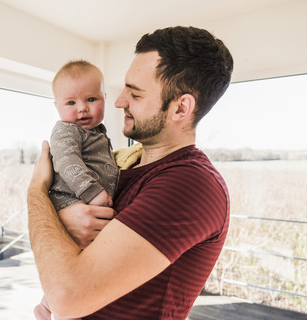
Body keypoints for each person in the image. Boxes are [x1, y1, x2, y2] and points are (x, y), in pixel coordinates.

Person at [28, 26, 233, 319]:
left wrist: (36, 192)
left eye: (134, 94)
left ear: (180, 108)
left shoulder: (190, 184)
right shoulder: (121, 165)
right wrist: (62, 218)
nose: (118, 101)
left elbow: (68, 298)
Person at [34, 60, 119, 320]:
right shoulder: (66, 131)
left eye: (91, 98)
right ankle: (51, 306)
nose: (82, 108)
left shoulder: (99, 134)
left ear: (105, 98)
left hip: (87, 206)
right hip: (68, 201)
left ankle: (53, 305)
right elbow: (66, 161)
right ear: (57, 106)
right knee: (72, 265)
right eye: (70, 103)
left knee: (81, 265)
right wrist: (91, 191)